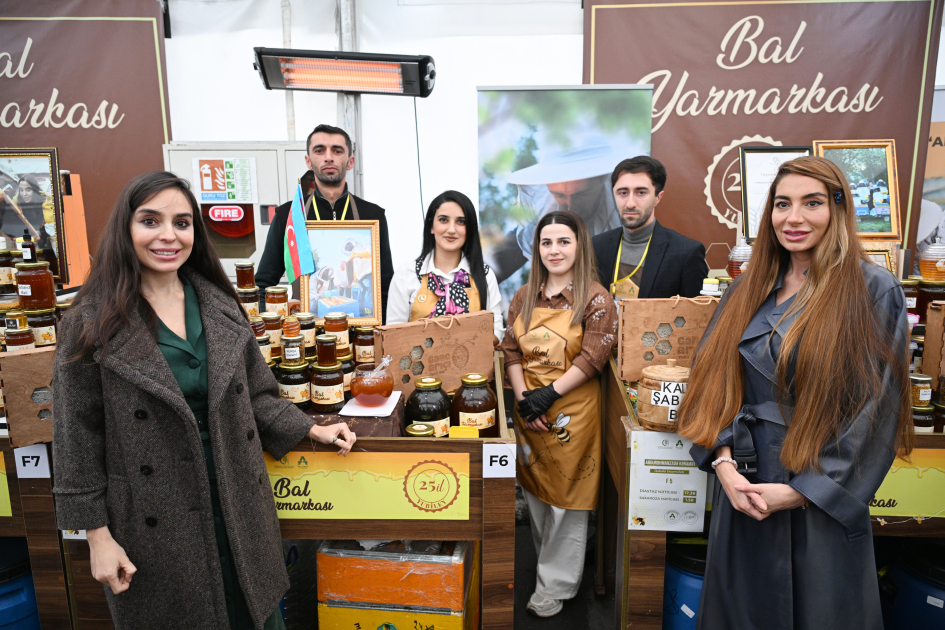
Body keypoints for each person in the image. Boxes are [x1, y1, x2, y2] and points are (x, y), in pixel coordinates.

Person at [51, 171, 357, 629]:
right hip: (155, 521)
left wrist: (310, 427)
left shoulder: (220, 303)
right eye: (150, 221)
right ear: (125, 229)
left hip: (237, 499)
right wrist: (96, 536)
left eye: (182, 222)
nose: (168, 236)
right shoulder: (90, 322)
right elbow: (76, 438)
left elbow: (256, 394)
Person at [676, 156, 913, 630]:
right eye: (783, 204)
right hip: (744, 489)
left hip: (820, 494)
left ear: (839, 210)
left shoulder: (872, 290)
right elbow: (709, 384)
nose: (794, 218)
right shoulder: (744, 291)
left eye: (813, 203)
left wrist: (803, 492)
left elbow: (876, 412)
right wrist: (722, 464)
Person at [501, 210, 618, 618]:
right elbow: (510, 350)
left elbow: (593, 357)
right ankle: (550, 569)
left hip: (571, 412)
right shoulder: (523, 295)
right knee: (536, 493)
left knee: (568, 500)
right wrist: (523, 400)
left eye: (563, 241)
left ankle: (555, 586)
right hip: (529, 410)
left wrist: (547, 395)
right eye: (546, 242)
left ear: (579, 245)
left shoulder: (596, 298)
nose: (554, 250)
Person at [256, 124, 394, 321]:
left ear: (350, 161)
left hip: (363, 335)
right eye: (319, 150)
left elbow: (386, 285)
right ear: (308, 161)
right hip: (305, 337)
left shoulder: (373, 215)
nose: (328, 157)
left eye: (337, 151)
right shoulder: (289, 215)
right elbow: (263, 287)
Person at [486, 141, 624, 285]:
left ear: (602, 179)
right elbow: (496, 264)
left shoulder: (628, 215)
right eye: (559, 195)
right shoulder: (540, 217)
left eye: (580, 195)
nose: (570, 206)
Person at [387, 190, 504, 342]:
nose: (451, 229)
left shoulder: (485, 274)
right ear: (431, 226)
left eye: (461, 222)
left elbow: (497, 332)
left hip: (473, 364)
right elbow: (394, 336)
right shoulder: (405, 274)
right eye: (443, 220)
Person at [591, 156, 708, 300]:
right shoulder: (597, 245)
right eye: (623, 193)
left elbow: (697, 317)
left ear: (658, 197)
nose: (630, 203)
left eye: (641, 192)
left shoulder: (686, 253)